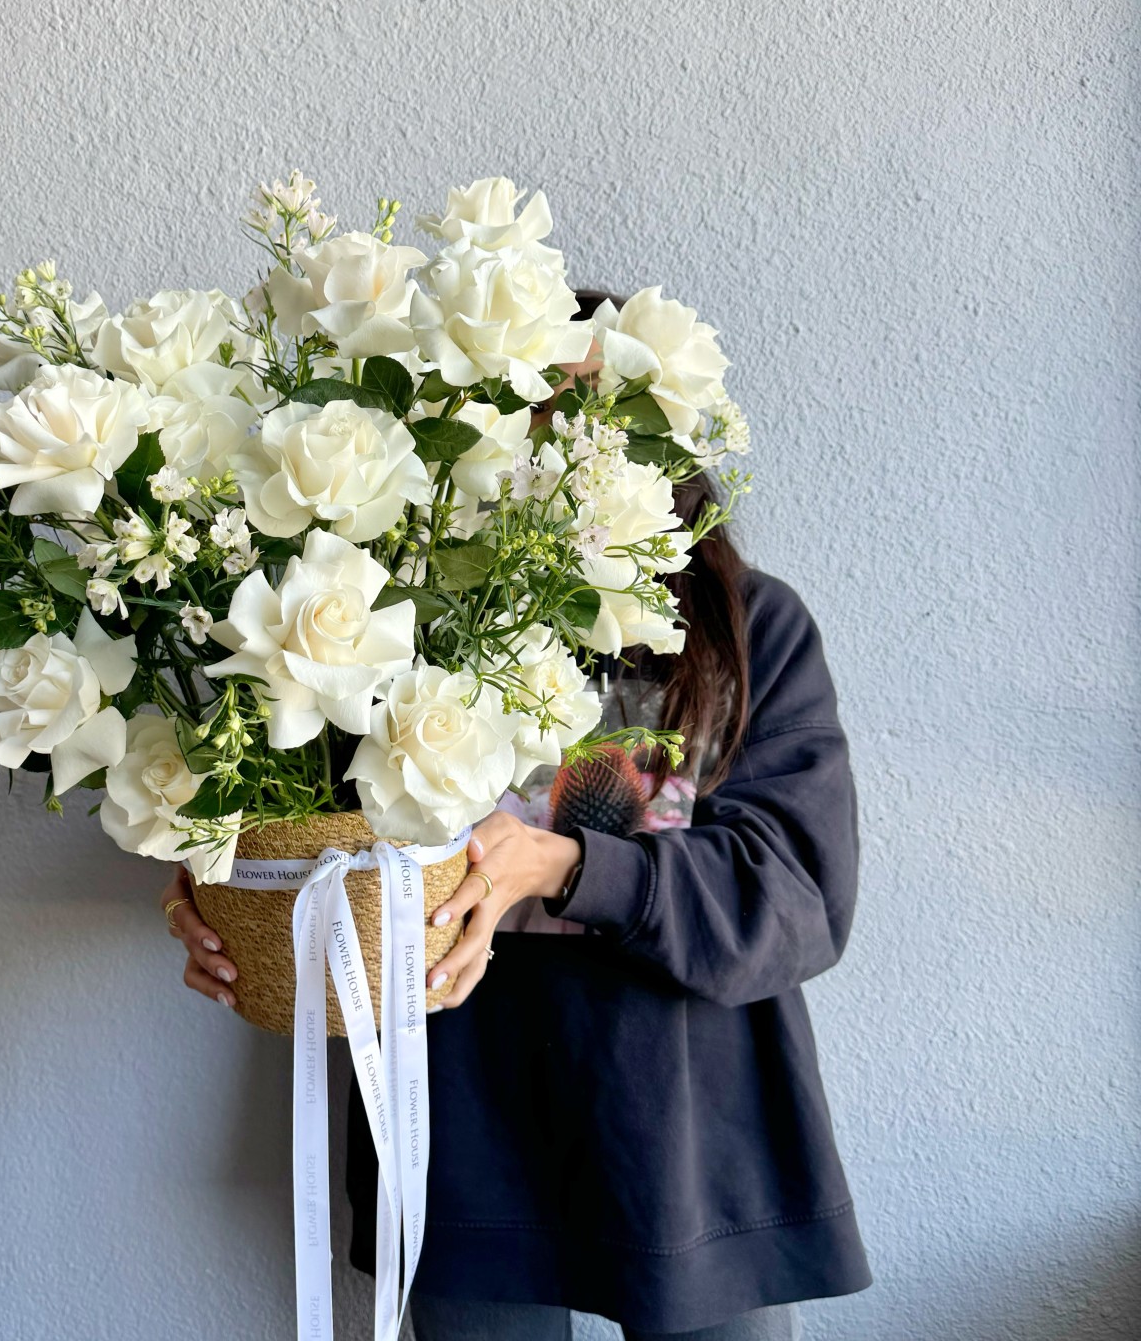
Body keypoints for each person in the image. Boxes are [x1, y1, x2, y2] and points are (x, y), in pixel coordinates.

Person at [161, 289, 873, 1339]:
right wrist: (225, 889)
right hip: (462, 1121)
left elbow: (802, 896)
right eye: (534, 413)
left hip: (689, 1134)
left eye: (606, 415)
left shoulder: (745, 630)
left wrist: (570, 865)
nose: (574, 447)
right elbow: (312, 838)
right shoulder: (380, 623)